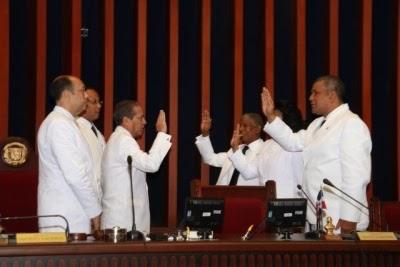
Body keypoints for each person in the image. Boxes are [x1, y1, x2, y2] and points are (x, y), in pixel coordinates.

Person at [261, 75, 372, 233]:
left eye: (315, 93)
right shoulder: (316, 124)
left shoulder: (351, 124)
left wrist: (349, 218)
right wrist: (271, 116)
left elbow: (356, 176)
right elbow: (293, 142)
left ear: (331, 95)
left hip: (340, 220)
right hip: (315, 217)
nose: (310, 97)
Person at [37, 75, 101, 234]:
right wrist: (94, 210)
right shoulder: (59, 125)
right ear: (66, 95)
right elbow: (75, 174)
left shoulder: (67, 123)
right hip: (65, 216)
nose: (86, 96)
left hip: (74, 212)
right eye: (82, 91)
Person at [101, 100, 171, 235]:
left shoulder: (118, 139)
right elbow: (151, 164)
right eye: (140, 118)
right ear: (126, 120)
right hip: (123, 223)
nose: (144, 122)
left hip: (122, 221)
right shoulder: (123, 141)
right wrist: (162, 133)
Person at [229, 101, 304, 198]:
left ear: (287, 119)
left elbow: (288, 140)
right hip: (267, 201)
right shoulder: (267, 145)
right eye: (269, 117)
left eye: (274, 117)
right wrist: (235, 149)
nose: (270, 120)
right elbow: (249, 172)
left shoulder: (297, 140)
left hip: (290, 201)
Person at [195, 110, 264, 185]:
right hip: (222, 195)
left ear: (257, 129)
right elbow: (210, 158)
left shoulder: (264, 150)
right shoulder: (238, 149)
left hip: (247, 196)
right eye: (240, 126)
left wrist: (235, 149)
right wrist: (205, 133)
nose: (240, 129)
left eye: (245, 126)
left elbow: (248, 173)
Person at [77, 88, 106, 200]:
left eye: (100, 102)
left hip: (100, 195)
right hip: (85, 196)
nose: (99, 106)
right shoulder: (77, 128)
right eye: (94, 102)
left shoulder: (96, 131)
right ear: (83, 103)